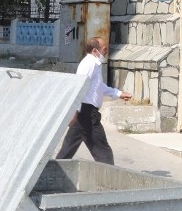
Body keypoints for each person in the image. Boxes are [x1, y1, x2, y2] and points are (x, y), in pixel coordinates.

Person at [56, 35, 130, 164]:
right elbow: (79, 86)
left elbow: (99, 87)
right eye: (104, 48)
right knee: (103, 152)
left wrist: (118, 93)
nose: (106, 51)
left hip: (84, 114)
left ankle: (52, 173)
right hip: (87, 114)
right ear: (95, 50)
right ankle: (108, 179)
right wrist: (75, 111)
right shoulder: (89, 64)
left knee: (67, 150)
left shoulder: (95, 64)